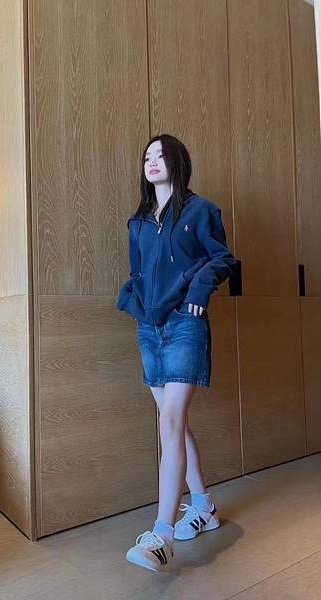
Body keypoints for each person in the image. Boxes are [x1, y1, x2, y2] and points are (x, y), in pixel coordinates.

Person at [117, 134, 237, 573]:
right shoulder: (138, 223)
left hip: (185, 324)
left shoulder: (201, 210)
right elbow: (137, 272)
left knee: (169, 421)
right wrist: (137, 304)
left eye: (160, 155)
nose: (151, 161)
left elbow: (223, 258)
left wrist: (198, 292)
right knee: (174, 422)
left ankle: (162, 536)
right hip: (149, 329)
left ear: (177, 162)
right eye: (146, 156)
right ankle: (203, 507)